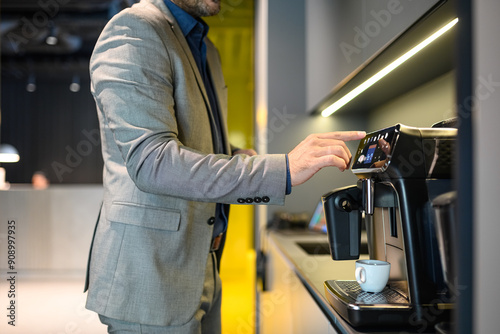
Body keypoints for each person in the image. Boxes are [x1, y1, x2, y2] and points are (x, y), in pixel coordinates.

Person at [83, 0, 366, 333]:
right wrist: (283, 170)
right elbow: (153, 162)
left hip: (203, 264)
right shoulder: (134, 31)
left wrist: (244, 158)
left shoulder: (207, 50)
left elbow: (198, 148)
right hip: (150, 275)